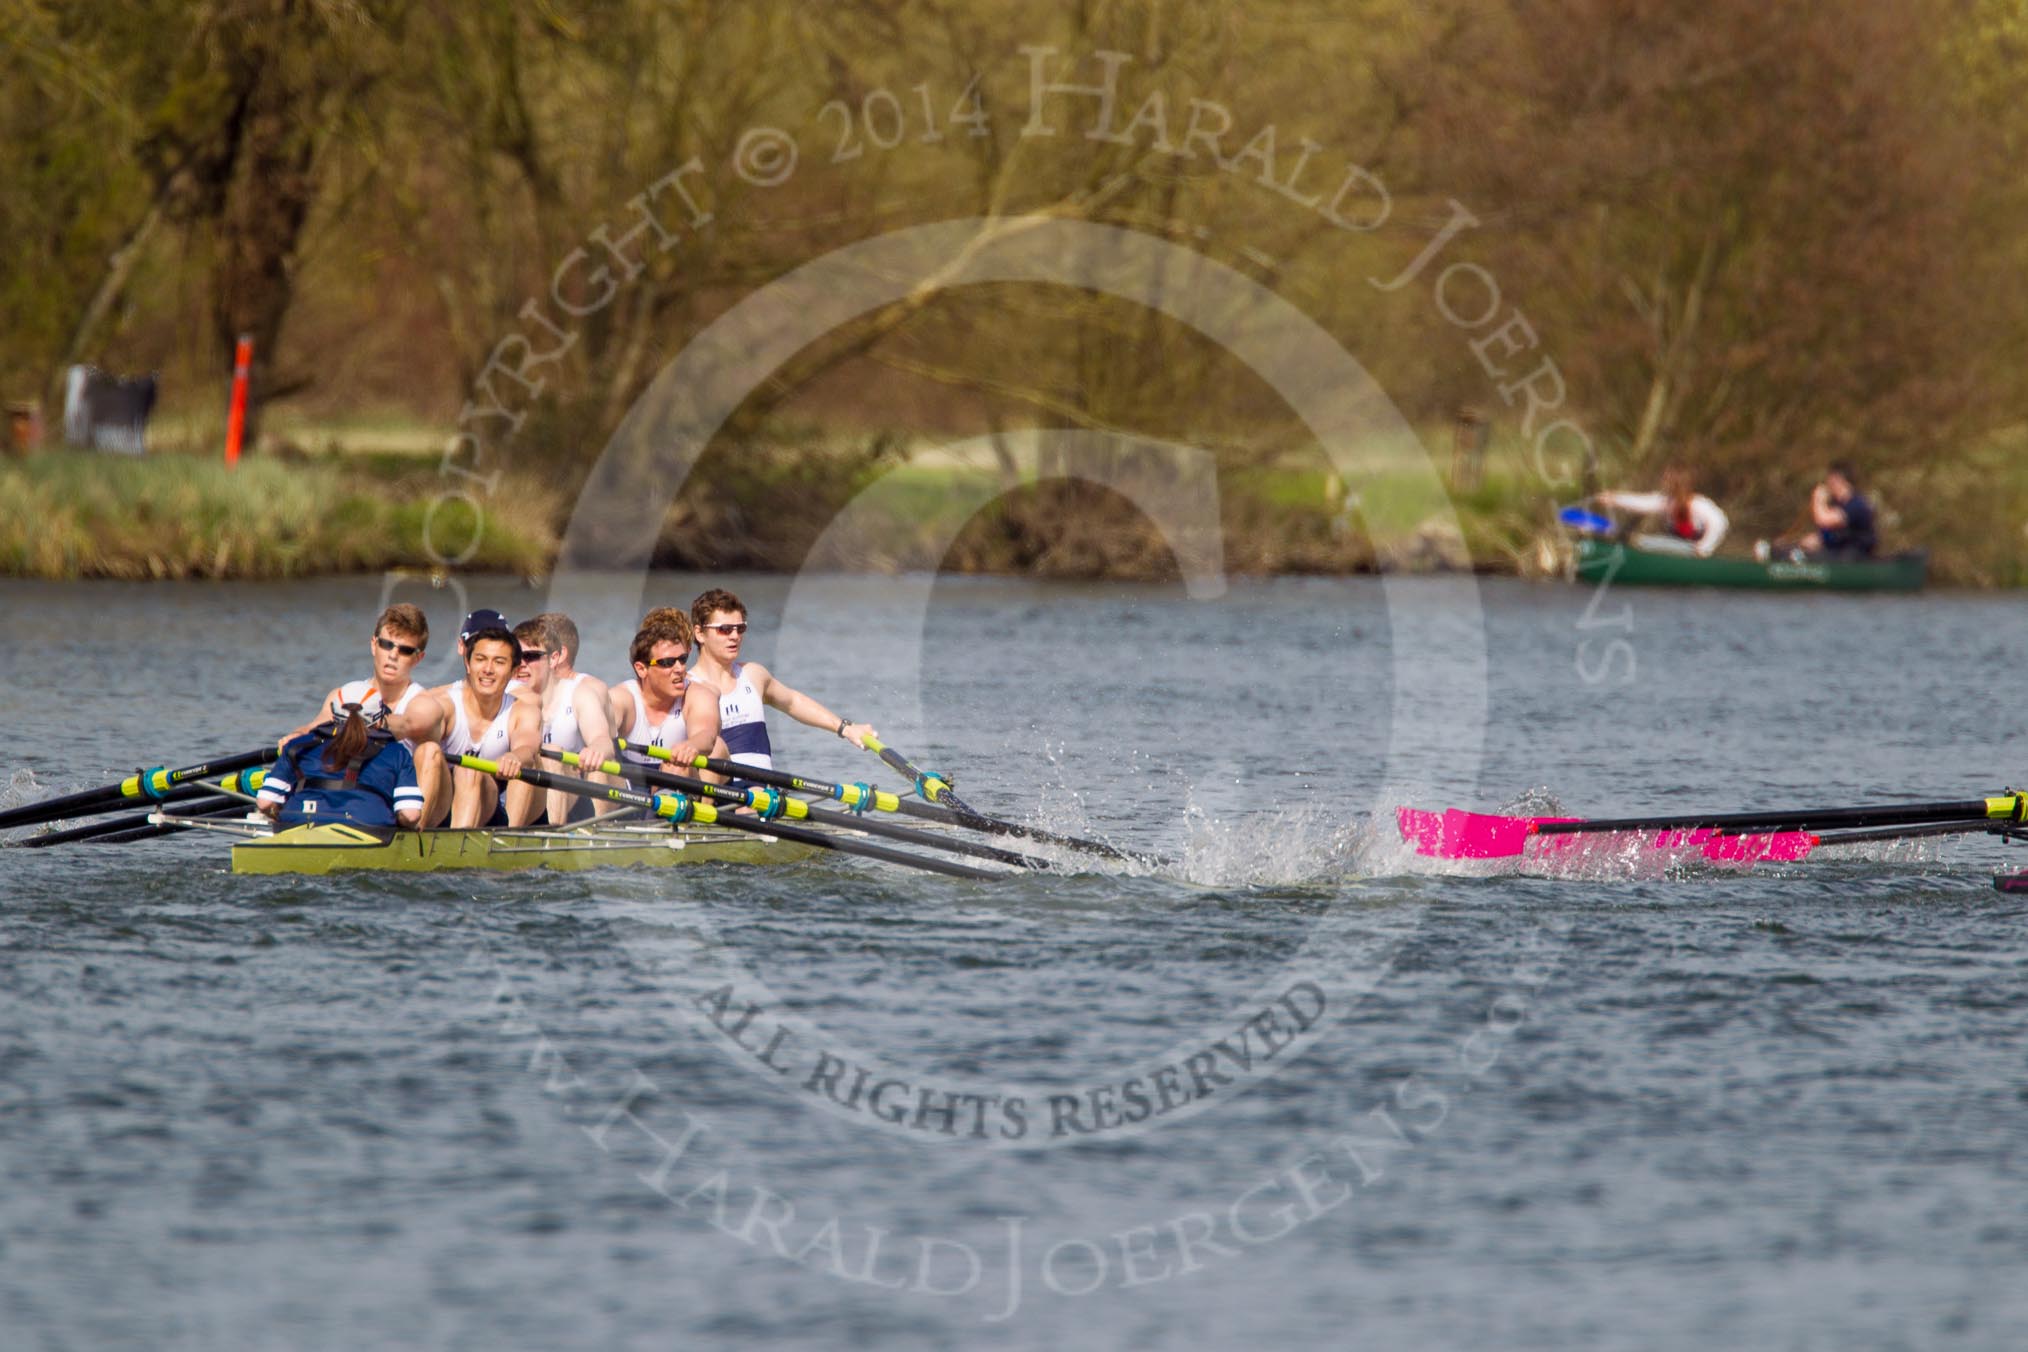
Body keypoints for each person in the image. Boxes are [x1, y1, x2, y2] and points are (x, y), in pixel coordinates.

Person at [284, 604, 449, 816]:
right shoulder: (341, 696)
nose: (393, 655)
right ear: (374, 645)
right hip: (366, 798)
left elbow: (406, 724)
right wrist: (296, 737)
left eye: (405, 650)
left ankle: (413, 835)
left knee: (430, 751)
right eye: (387, 645)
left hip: (414, 803)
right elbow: (317, 726)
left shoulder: (425, 704)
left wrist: (363, 720)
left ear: (418, 658)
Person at [687, 588, 876, 772]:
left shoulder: (753, 675)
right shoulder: (685, 687)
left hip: (762, 794)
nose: (735, 636)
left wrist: (846, 729)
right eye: (725, 629)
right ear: (700, 633)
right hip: (716, 794)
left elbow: (793, 702)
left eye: (740, 628)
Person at [422, 624, 542, 828]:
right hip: (441, 803)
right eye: (480, 660)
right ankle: (415, 829)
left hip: (490, 808)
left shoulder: (522, 710)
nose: (488, 669)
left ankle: (462, 849)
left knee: (470, 770)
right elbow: (424, 733)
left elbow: (528, 746)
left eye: (499, 662)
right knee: (428, 749)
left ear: (513, 671)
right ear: (468, 665)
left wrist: (515, 757)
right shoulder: (444, 705)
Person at [508, 615, 618, 823]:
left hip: (575, 792)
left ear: (554, 658)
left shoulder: (580, 693)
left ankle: (553, 835)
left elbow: (602, 739)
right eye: (515, 657)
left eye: (530, 656)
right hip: (523, 788)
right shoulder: (504, 696)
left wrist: (595, 750)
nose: (521, 665)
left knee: (552, 755)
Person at [259, 701, 423, 830]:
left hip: (298, 822)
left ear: (333, 717)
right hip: (368, 826)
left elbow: (265, 803)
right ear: (379, 721)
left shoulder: (298, 745)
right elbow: (410, 815)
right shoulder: (396, 752)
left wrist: (281, 817)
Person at [607, 615, 722, 779]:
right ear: (641, 669)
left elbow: (707, 734)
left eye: (682, 660)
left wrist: (691, 746)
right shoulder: (622, 697)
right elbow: (601, 731)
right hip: (627, 784)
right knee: (599, 769)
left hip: (677, 780)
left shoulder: (698, 695)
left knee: (678, 763)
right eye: (668, 662)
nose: (680, 669)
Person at [1592, 467, 1729, 557]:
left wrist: (1705, 546)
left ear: (1676, 485)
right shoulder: (1666, 502)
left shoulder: (1698, 504)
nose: (1663, 483)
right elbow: (1642, 503)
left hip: (1697, 550)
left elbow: (1719, 523)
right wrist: (1613, 499)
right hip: (1678, 547)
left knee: (1640, 541)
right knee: (1639, 541)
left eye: (1666, 481)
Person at [1795, 462, 1877, 559]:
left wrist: (1818, 499)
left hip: (1853, 558)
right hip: (1837, 554)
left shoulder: (1857, 505)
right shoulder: (1837, 505)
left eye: (1830, 481)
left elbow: (1824, 521)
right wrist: (1818, 540)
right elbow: (1834, 535)